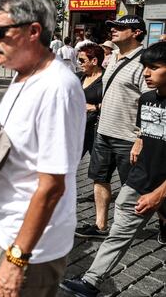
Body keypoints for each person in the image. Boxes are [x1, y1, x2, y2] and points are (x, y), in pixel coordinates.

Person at [0, 0, 86, 296]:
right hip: (0, 219)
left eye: (0, 32)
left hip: (32, 239)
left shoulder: (57, 88)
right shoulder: (22, 74)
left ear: (33, 31)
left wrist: (17, 259)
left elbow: (53, 185)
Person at [60, 41, 166, 297]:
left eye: (154, 67)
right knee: (120, 230)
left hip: (161, 188)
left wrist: (160, 194)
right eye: (144, 67)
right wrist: (140, 142)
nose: (147, 74)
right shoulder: (148, 98)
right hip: (143, 179)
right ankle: (91, 282)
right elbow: (146, 129)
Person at [75, 15, 149, 239]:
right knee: (100, 178)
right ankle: (100, 225)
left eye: (120, 27)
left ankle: (130, 227)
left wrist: (141, 137)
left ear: (136, 32)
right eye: (113, 27)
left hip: (128, 136)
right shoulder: (114, 58)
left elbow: (150, 101)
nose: (113, 30)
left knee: (133, 186)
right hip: (104, 132)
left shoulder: (144, 61)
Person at [77, 44, 105, 158]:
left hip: (95, 132)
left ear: (94, 61)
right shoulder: (78, 77)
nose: (79, 63)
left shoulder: (106, 79)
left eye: (82, 60)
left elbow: (115, 102)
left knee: (98, 171)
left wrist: (94, 107)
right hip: (77, 130)